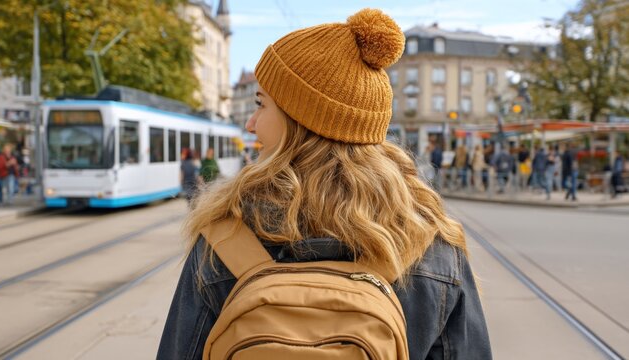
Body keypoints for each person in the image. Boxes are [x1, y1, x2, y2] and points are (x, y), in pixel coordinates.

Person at [158, 9, 491, 359]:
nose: (252, 124)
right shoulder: (430, 244)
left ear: (300, 120)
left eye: (262, 105)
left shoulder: (223, 238)